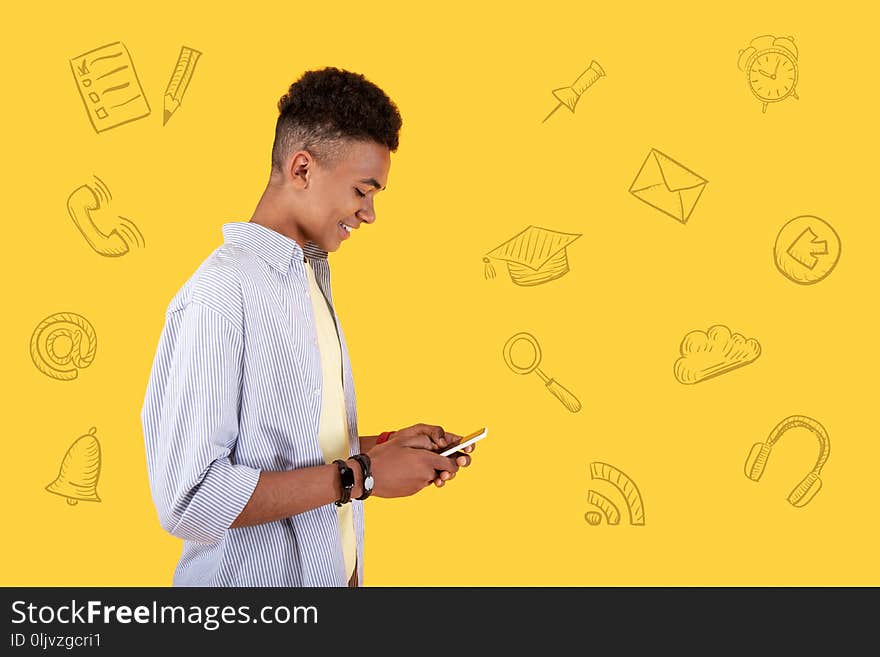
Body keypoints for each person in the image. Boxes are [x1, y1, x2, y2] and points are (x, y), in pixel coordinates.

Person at [140, 67, 475, 587]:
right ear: (301, 169)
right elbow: (191, 499)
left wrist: (380, 449)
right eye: (363, 190)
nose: (369, 213)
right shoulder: (219, 295)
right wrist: (360, 477)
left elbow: (278, 448)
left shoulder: (308, 283)